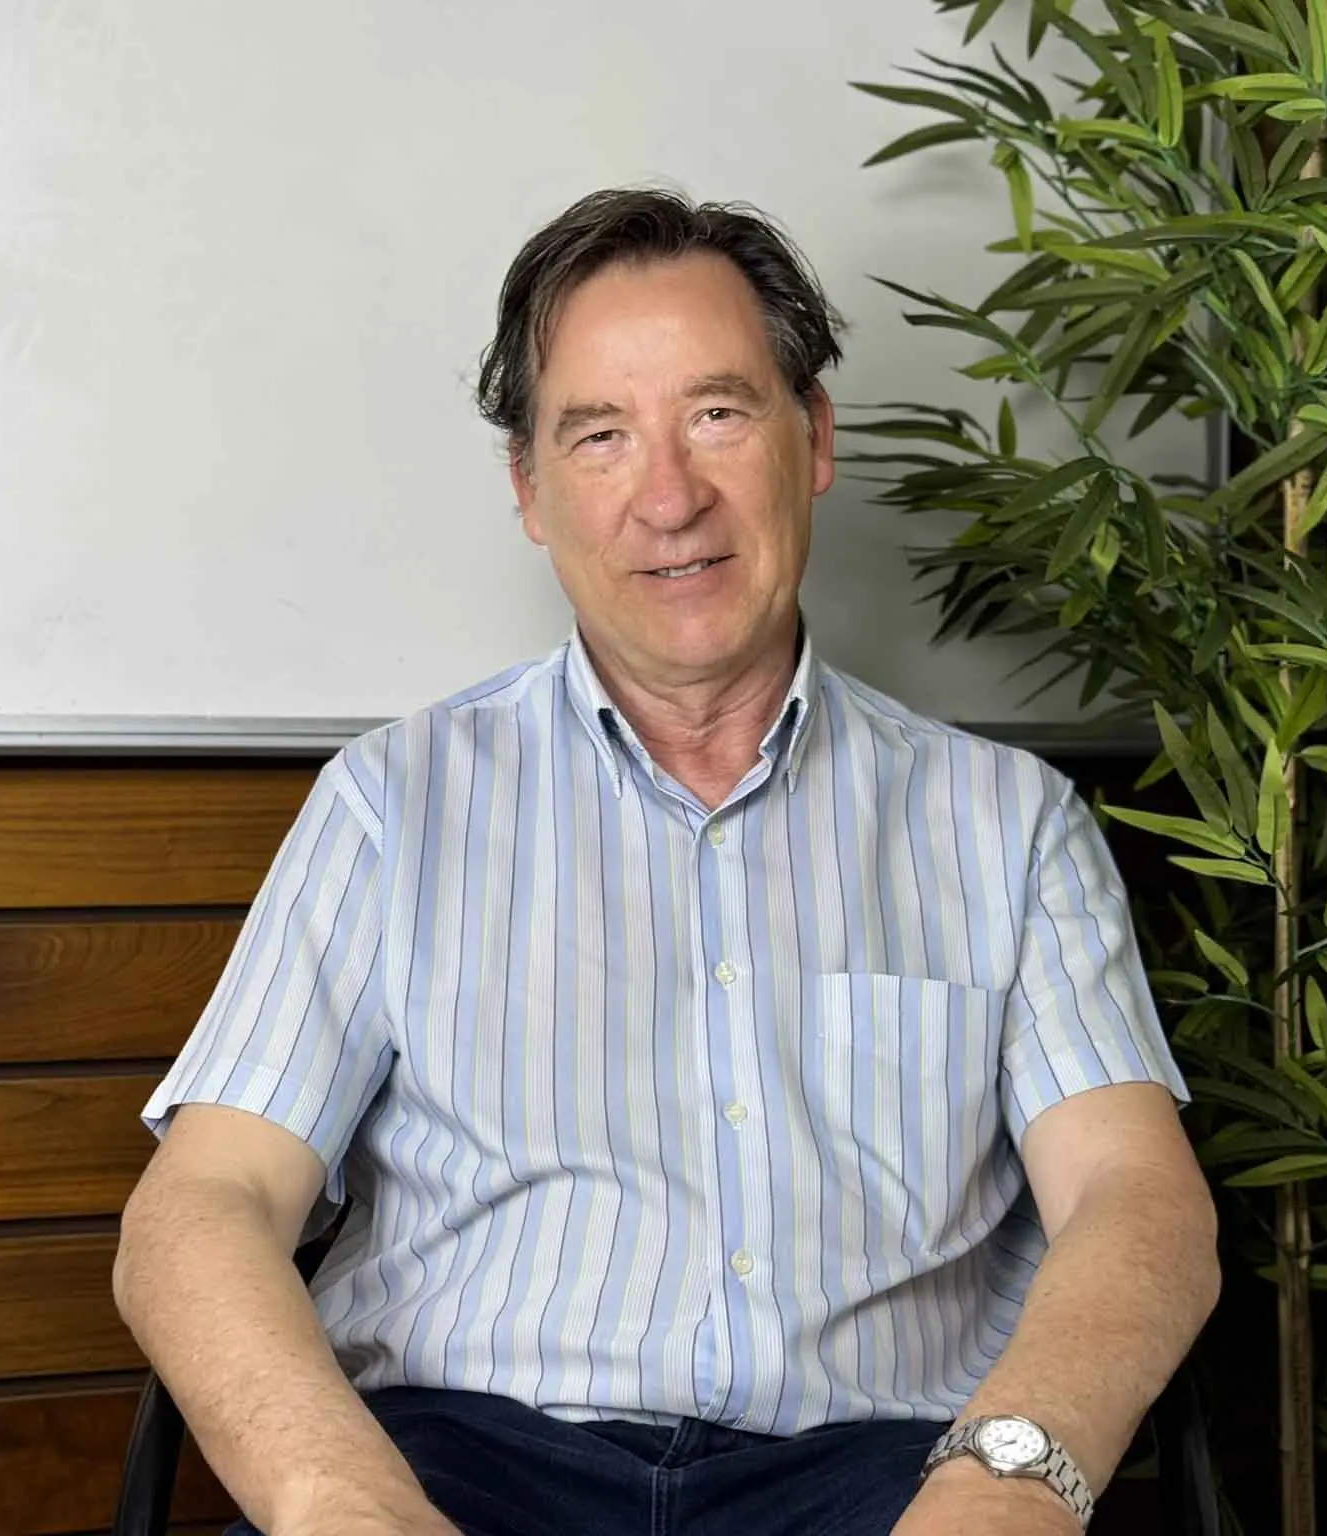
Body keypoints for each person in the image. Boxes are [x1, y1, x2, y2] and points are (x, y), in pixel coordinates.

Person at [113, 188, 1220, 1536]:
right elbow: (208, 1202)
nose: (669, 497)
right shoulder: (393, 805)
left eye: (718, 414)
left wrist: (1006, 1485)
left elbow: (1135, 1198)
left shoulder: (1009, 824)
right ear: (530, 490)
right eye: (599, 435)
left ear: (813, 437)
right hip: (461, 1466)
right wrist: (340, 1502)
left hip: (883, 1480)